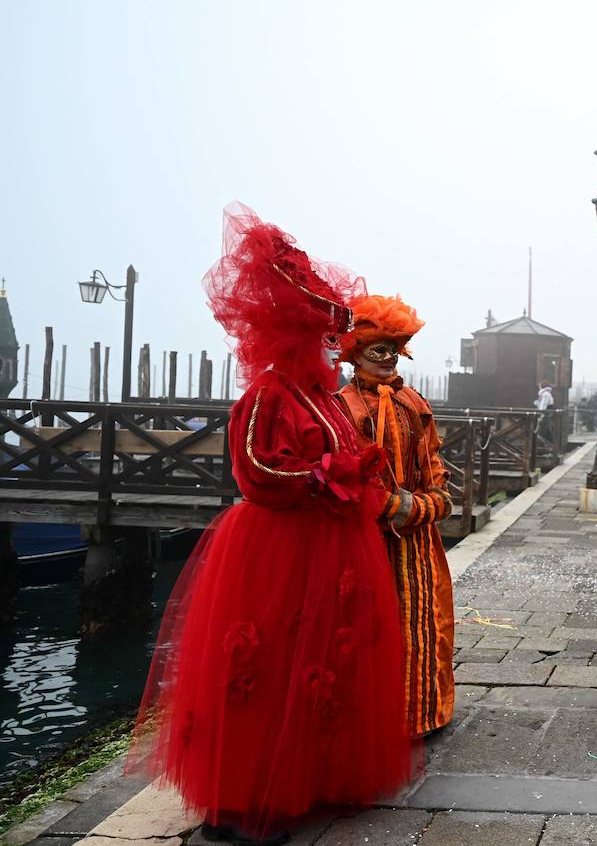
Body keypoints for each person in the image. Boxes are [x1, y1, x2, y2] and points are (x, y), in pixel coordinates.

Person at [127, 204, 413, 845]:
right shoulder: (270, 393)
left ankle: (305, 779)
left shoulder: (319, 395)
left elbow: (345, 454)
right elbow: (257, 471)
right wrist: (327, 474)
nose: (330, 347)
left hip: (331, 547)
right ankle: (246, 799)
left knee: (322, 665)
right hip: (281, 551)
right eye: (320, 338)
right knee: (272, 668)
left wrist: (355, 468)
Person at [336, 295, 456, 738]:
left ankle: (425, 713)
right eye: (377, 351)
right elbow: (347, 474)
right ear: (356, 354)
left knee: (423, 623)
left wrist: (427, 504)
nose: (387, 360)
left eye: (393, 351)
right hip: (368, 541)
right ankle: (377, 722)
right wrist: (389, 507)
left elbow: (435, 467)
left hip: (418, 543)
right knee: (370, 627)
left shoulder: (414, 402)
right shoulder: (344, 406)